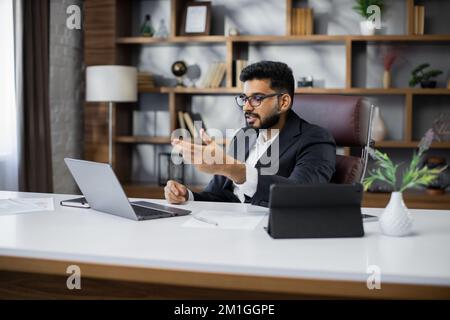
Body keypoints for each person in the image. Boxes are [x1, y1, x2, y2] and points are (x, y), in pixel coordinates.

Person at [165, 60, 336, 207]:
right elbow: (217, 197)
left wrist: (232, 169)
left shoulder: (316, 139)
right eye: (245, 98)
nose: (246, 107)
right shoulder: (243, 136)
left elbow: (301, 195)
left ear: (283, 102)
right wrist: (187, 195)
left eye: (257, 98)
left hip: (273, 236)